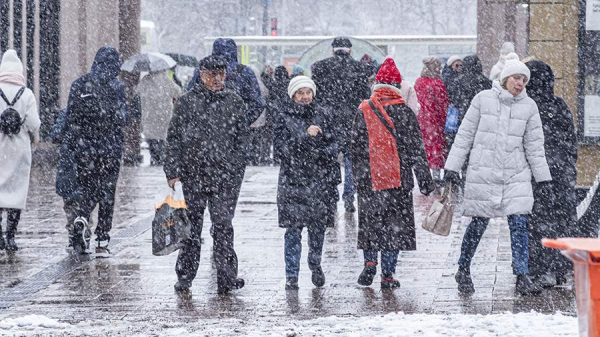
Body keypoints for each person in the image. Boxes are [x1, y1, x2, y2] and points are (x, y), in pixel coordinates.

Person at [444, 58, 552, 295]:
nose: (520, 83)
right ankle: (463, 268)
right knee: (478, 224)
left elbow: (535, 146)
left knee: (519, 224)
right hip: (484, 171)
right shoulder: (482, 99)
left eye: (524, 80)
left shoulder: (529, 106)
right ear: (505, 79)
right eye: (516, 78)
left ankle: (521, 275)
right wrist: (452, 166)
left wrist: (543, 178)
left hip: (516, 173)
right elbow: (465, 135)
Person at [164, 55, 247, 294]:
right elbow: (174, 139)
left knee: (223, 226)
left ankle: (227, 278)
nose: (218, 78)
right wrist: (172, 171)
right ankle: (185, 275)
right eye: (213, 74)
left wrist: (235, 167)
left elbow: (242, 140)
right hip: (194, 175)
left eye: (221, 73)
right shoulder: (187, 102)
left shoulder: (234, 101)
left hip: (224, 176)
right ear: (202, 75)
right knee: (191, 229)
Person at [352, 58, 434, 288]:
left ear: (377, 83)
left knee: (370, 223)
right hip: (399, 178)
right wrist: (426, 183)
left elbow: (356, 148)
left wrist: (359, 176)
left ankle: (369, 262)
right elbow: (417, 150)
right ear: (398, 85)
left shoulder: (364, 109)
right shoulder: (405, 112)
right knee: (393, 227)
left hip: (371, 178)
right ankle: (387, 275)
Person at [274, 75, 340, 290]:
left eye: (308, 92)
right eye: (300, 93)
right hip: (293, 182)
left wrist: (322, 153)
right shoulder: (283, 117)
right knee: (293, 231)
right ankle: (291, 275)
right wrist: (305, 136)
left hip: (318, 182)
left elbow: (334, 144)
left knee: (317, 228)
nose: (304, 97)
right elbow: (281, 150)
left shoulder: (324, 114)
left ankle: (315, 264)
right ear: (293, 94)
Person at [64, 46, 127, 256]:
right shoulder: (116, 87)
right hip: (110, 149)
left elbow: (70, 117)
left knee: (88, 188)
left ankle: (81, 218)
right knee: (107, 194)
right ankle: (102, 239)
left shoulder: (80, 84)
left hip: (84, 150)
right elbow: (121, 119)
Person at [525, 60, 578, 287]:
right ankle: (563, 266)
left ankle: (539, 267)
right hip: (561, 173)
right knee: (563, 220)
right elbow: (571, 141)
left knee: (537, 221)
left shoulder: (527, 106)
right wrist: (568, 166)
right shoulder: (559, 105)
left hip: (536, 176)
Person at [311, 37, 371, 213]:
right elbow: (365, 97)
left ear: (333, 50)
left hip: (328, 122)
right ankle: (348, 197)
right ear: (350, 51)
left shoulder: (320, 67)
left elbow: (317, 97)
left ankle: (330, 197)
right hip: (352, 122)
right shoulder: (360, 69)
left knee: (328, 161)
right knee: (351, 161)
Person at [0, 49, 41, 252]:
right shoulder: (26, 94)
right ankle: (11, 236)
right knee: (16, 192)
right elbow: (34, 123)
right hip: (19, 148)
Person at [188, 38, 265, 126]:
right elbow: (258, 103)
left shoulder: (202, 71)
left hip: (205, 129)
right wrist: (242, 123)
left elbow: (190, 95)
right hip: (233, 131)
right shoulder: (245, 71)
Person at [447, 55, 492, 189]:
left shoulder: (458, 81)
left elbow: (453, 100)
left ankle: (465, 174)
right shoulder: (485, 82)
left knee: (464, 146)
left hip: (463, 118)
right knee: (479, 148)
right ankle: (478, 175)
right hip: (483, 119)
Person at [414, 56, 449, 191]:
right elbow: (443, 103)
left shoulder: (419, 82)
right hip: (435, 120)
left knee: (426, 147)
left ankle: (427, 176)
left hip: (422, 120)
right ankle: (436, 174)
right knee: (437, 147)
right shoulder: (438, 83)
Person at [138, 70, 181, 166]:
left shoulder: (145, 80)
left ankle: (154, 158)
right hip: (164, 114)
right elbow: (178, 91)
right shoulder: (167, 80)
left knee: (151, 138)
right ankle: (160, 159)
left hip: (149, 113)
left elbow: (138, 91)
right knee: (162, 138)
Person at [120, 71, 142, 166]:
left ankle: (130, 155)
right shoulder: (132, 88)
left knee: (131, 136)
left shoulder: (124, 87)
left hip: (130, 116)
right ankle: (132, 155)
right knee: (133, 136)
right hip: (132, 116)